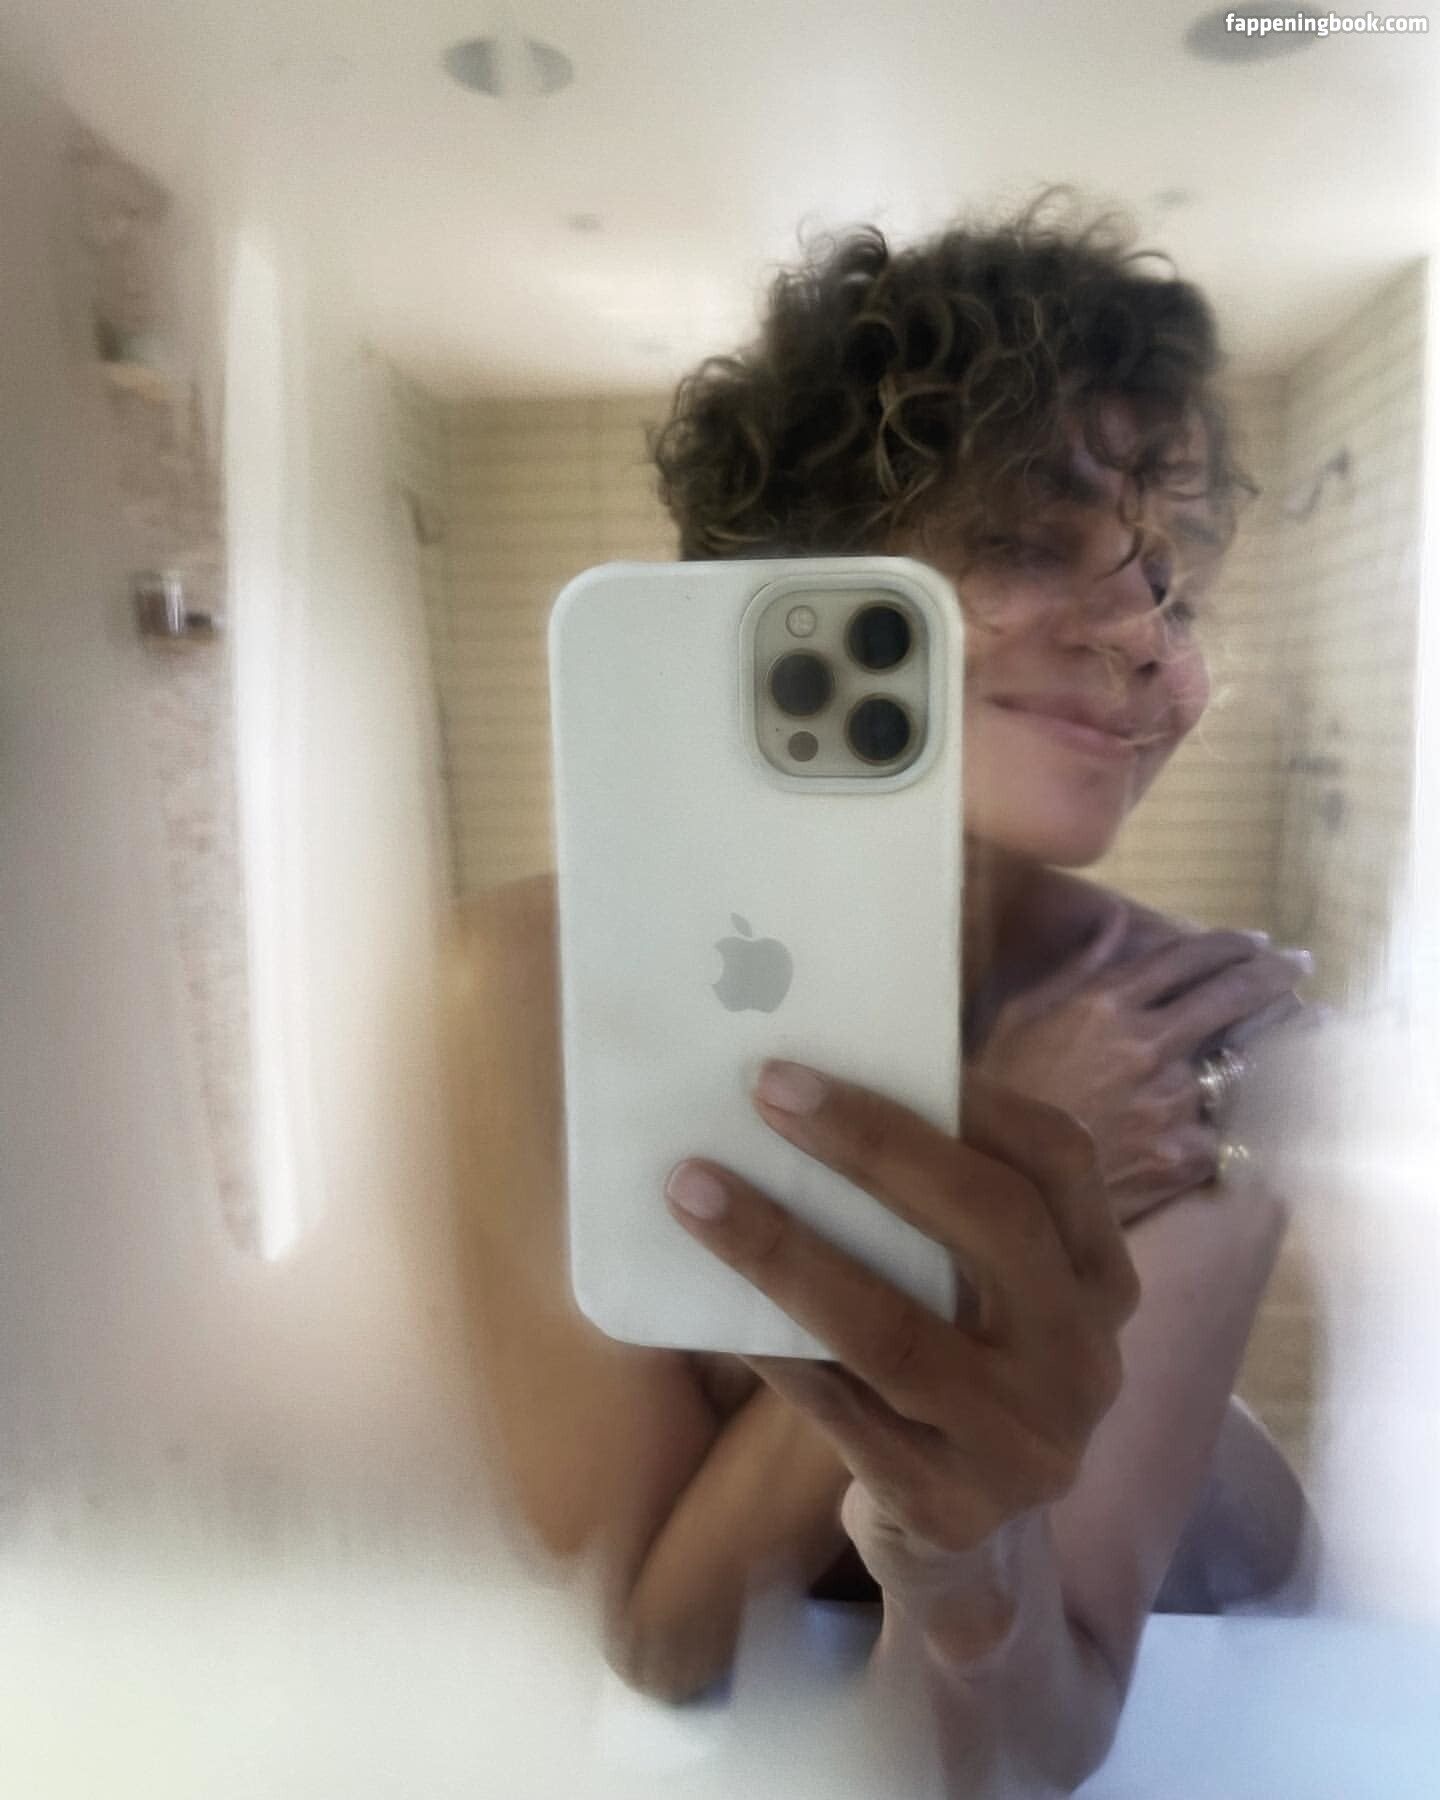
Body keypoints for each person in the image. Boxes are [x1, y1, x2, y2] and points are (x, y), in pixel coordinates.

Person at [448, 196, 1316, 1795]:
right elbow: (659, 1637)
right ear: (786, 597)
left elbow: (1046, 1734)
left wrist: (952, 1549)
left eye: (1177, 585)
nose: (1153, 648)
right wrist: (1001, 1172)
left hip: (1223, 1600)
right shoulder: (519, 979)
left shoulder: (1191, 1035)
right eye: (1033, 540)